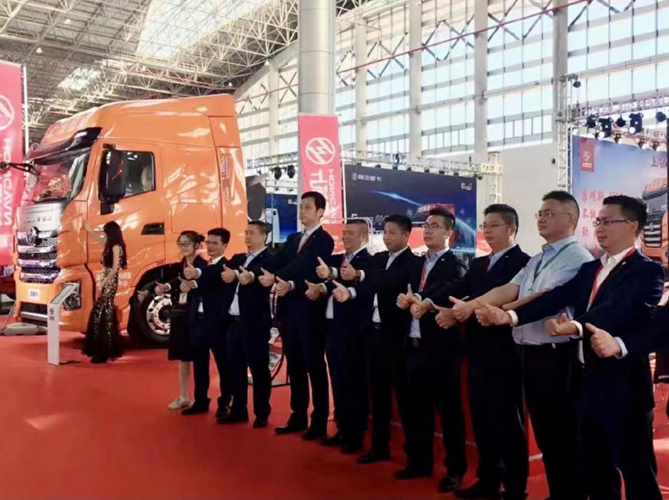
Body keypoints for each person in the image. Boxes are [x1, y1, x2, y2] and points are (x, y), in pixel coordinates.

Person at [482, 195, 664, 500]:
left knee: (635, 468)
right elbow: (555, 297)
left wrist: (576, 326)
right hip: (584, 379)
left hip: (623, 385)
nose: (600, 228)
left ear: (633, 225)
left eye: (608, 222)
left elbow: (619, 310)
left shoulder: (647, 271)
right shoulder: (591, 269)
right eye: (598, 222)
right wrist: (511, 316)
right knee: (595, 465)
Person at [445, 191, 592, 500]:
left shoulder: (577, 257)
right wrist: (472, 307)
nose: (541, 218)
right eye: (540, 213)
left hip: (556, 355)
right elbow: (509, 289)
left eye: (549, 213)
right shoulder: (540, 258)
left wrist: (507, 315)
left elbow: (547, 297)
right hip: (530, 352)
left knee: (561, 434)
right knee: (546, 434)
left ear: (571, 219)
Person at [422, 204, 530, 500]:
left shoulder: (523, 263)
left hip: (505, 353)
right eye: (485, 225)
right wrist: (430, 303)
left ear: (511, 229)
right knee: (483, 422)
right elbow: (457, 290)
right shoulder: (479, 263)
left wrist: (462, 311)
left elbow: (509, 300)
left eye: (494, 225)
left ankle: (515, 488)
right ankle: (488, 480)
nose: (488, 231)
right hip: (476, 352)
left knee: (508, 423)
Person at [393, 207, 468, 492]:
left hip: (440, 350)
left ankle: (455, 468)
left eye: (435, 226)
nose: (428, 230)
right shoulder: (415, 263)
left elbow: (449, 288)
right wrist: (404, 300)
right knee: (416, 409)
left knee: (448, 412)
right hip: (412, 346)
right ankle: (419, 461)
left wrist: (421, 298)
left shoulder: (455, 263)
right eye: (425, 225)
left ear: (449, 232)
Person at [337, 214, 420, 465]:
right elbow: (367, 282)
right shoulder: (379, 258)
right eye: (385, 232)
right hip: (372, 333)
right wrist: (350, 290)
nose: (387, 237)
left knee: (405, 398)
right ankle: (379, 446)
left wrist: (359, 276)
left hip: (397, 337)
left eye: (393, 232)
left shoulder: (412, 262)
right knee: (377, 394)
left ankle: (414, 454)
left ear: (406, 235)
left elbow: (387, 280)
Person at [259, 192, 335, 440]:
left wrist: (277, 277)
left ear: (320, 212)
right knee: (295, 365)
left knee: (314, 365)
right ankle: (298, 415)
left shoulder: (324, 240)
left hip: (310, 311)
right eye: (300, 207)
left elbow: (304, 265)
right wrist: (256, 268)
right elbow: (277, 259)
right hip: (289, 311)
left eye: (307, 207)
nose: (302, 211)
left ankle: (319, 420)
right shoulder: (293, 239)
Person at [310, 219, 371, 454]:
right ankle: (342, 428)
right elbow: (331, 282)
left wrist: (332, 274)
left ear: (364, 237)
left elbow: (348, 278)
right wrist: (320, 287)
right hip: (331, 328)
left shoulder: (367, 261)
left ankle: (355, 434)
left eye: (351, 234)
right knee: (337, 381)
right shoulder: (336, 259)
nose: (345, 237)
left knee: (353, 383)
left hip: (353, 332)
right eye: (344, 233)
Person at [140, 231, 207, 411]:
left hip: (196, 316)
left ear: (196, 246)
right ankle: (184, 395)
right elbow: (172, 281)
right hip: (180, 314)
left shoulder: (203, 266)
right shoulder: (180, 265)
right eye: (180, 244)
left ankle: (200, 398)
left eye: (186, 244)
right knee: (183, 358)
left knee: (199, 360)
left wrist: (194, 284)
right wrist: (159, 289)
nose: (183, 247)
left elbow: (207, 285)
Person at [219, 221, 273, 428]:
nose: (247, 237)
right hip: (233, 322)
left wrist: (240, 275)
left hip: (255, 324)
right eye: (245, 233)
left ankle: (262, 412)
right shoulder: (239, 258)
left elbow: (255, 275)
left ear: (264, 236)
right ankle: (238, 409)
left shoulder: (269, 259)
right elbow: (223, 271)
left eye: (252, 233)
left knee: (259, 370)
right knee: (235, 368)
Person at [181, 228, 234, 422]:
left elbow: (209, 278)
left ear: (224, 245)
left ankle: (225, 402)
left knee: (223, 365)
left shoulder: (225, 267)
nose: (210, 246)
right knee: (199, 364)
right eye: (209, 242)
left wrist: (196, 279)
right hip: (199, 320)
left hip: (217, 322)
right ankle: (200, 400)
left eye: (215, 243)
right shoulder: (203, 265)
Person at [83, 221, 127, 364]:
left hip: (110, 282)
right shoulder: (109, 245)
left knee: (103, 312)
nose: (104, 235)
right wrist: (89, 230)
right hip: (105, 280)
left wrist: (104, 282)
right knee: (104, 312)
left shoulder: (116, 247)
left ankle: (105, 349)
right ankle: (104, 348)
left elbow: (115, 268)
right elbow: (98, 238)